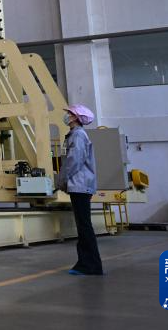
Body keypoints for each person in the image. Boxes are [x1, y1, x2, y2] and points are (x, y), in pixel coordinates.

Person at [56, 104, 104, 276]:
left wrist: (61, 180)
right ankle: (87, 264)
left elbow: (74, 161)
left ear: (76, 117)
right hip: (80, 186)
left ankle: (91, 266)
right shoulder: (76, 135)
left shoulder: (78, 135)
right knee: (83, 226)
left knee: (84, 226)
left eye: (69, 113)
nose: (67, 116)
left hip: (80, 186)